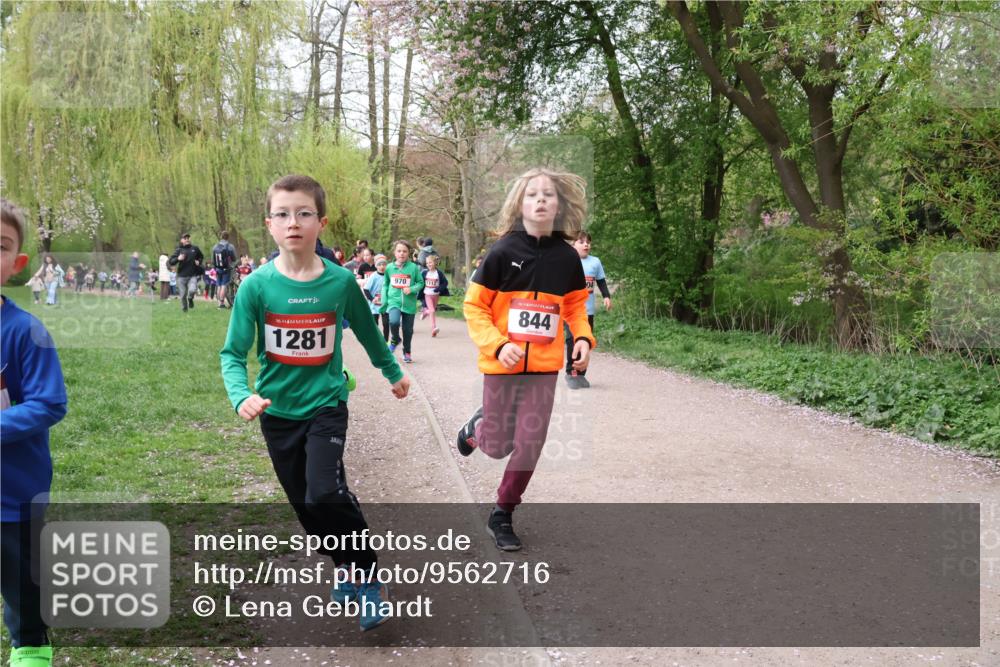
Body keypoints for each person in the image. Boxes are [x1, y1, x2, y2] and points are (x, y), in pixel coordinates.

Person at [220, 174, 409, 632]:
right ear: (269, 225)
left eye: (304, 213)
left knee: (325, 491)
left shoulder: (341, 283)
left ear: (320, 222)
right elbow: (232, 353)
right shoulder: (256, 287)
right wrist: (241, 395)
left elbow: (369, 333)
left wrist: (393, 373)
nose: (293, 222)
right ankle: (344, 563)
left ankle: (368, 576)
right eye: (283, 214)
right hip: (277, 413)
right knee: (307, 507)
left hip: (327, 405)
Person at [457, 167, 594, 551]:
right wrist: (498, 345)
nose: (540, 200)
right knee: (497, 445)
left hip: (543, 370)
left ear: (559, 205)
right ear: (520, 203)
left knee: (531, 442)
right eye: (532, 194)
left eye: (548, 194)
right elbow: (474, 307)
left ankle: (503, 511)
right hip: (502, 366)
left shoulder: (567, 257)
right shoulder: (503, 252)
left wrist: (582, 337)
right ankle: (476, 430)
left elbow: (575, 307)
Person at [1, 199, 69, 667]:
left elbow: (49, 403)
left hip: (13, 491)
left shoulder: (27, 331)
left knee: (21, 580)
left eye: (0, 246)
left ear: (18, 263)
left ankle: (31, 648)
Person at [564, 231, 612, 389]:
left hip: (588, 312)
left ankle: (581, 374)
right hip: (570, 312)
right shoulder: (567, 260)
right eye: (581, 241)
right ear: (573, 244)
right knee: (572, 340)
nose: (586, 244)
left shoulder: (595, 262)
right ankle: (571, 372)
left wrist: (606, 296)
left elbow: (601, 281)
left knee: (585, 342)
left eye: (588, 242)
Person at [381, 240, 423, 363]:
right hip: (394, 301)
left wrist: (411, 289)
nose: (402, 254)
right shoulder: (389, 268)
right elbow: (385, 284)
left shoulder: (413, 268)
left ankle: (407, 352)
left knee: (408, 330)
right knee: (393, 322)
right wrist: (384, 301)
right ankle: (394, 339)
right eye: (399, 251)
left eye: (404, 251)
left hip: (409, 304)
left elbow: (420, 283)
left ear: (408, 253)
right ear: (395, 253)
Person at [168, 233, 204, 312]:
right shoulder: (179, 250)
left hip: (192, 275)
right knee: (183, 294)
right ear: (182, 240)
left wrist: (199, 261)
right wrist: (178, 258)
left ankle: (190, 298)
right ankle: (185, 309)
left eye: (188, 237)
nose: (187, 239)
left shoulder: (195, 248)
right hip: (181, 276)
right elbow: (171, 262)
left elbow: (201, 256)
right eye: (185, 238)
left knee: (192, 290)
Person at [421, 254, 449, 337]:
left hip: (436, 295)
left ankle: (425, 312)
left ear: (435, 263)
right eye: (427, 263)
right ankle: (433, 328)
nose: (428, 264)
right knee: (432, 311)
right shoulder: (425, 272)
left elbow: (445, 283)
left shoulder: (439, 273)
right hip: (427, 294)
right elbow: (420, 281)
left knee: (432, 310)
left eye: (430, 262)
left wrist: (439, 289)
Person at [364, 254, 390, 341]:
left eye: (384, 264)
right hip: (374, 305)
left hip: (385, 304)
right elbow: (366, 290)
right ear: (376, 266)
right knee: (374, 324)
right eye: (379, 264)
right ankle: (375, 340)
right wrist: (372, 299)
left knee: (386, 323)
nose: (382, 267)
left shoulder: (388, 276)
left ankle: (386, 341)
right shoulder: (374, 276)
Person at [212, 231, 237, 309]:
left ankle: (219, 303)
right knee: (224, 285)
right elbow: (234, 258)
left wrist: (215, 267)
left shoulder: (215, 246)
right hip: (226, 268)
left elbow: (213, 259)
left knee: (219, 285)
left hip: (217, 268)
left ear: (221, 237)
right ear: (228, 237)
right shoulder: (230, 246)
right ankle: (222, 303)